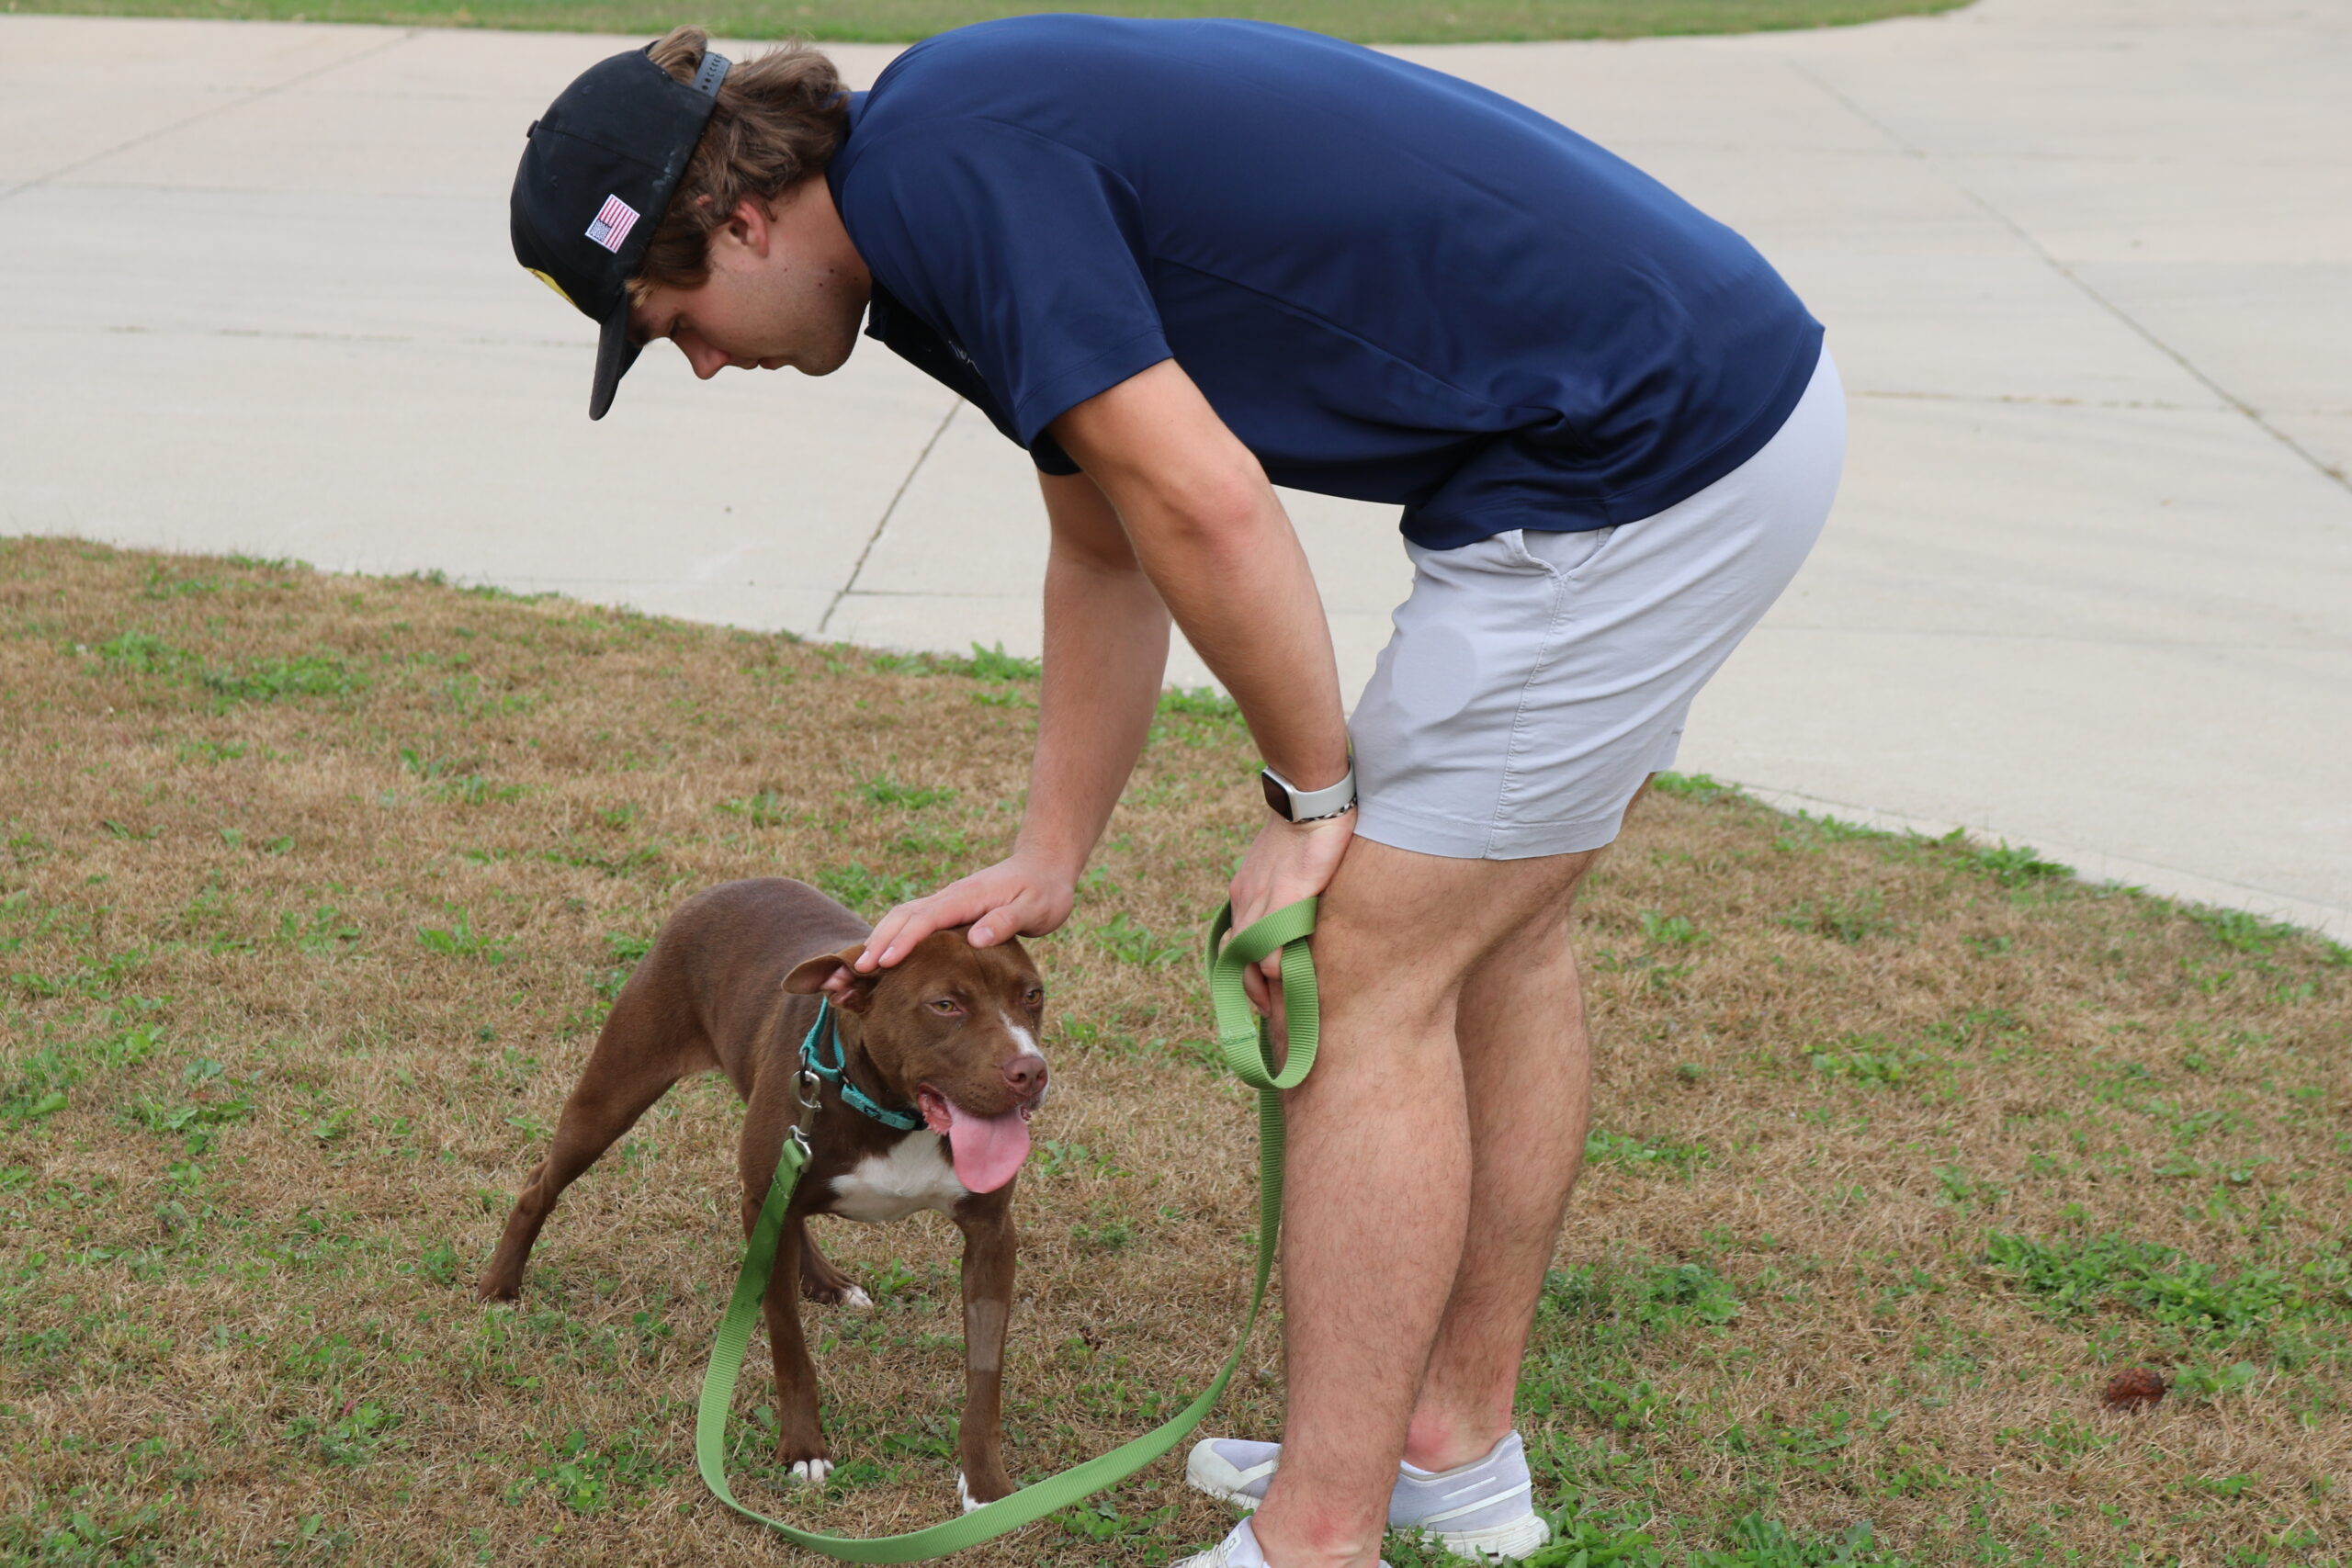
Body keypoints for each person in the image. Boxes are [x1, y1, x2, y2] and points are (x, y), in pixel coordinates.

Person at [510, 17, 1843, 1567]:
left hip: (1640, 456)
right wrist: (1048, 854)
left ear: (740, 220)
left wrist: (1309, 803)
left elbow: (1210, 503)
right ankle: (1449, 1452)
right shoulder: (930, 188)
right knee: (1488, 938)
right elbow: (1107, 540)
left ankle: (1319, 1537)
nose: (701, 362)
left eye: (672, 320)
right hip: (1690, 407)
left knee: (1363, 962)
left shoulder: (946, 180)